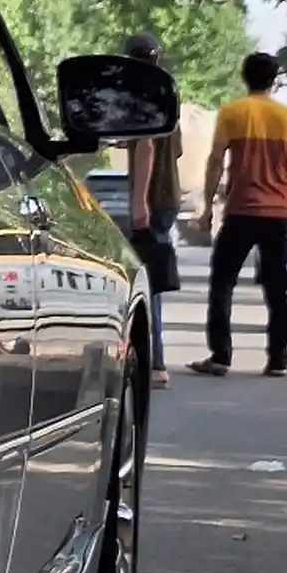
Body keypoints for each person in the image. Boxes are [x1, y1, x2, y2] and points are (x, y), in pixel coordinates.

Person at [189, 51, 287, 377]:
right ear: (273, 80)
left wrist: (207, 207)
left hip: (242, 210)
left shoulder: (233, 113)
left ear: (244, 77)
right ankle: (278, 359)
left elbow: (216, 161)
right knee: (277, 288)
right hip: (279, 214)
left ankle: (220, 355)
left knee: (223, 282)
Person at [124, 32, 182, 387]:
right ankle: (154, 360)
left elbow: (146, 146)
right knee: (155, 280)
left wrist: (138, 200)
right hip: (169, 196)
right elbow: (174, 151)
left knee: (148, 283)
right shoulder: (168, 92)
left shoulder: (140, 94)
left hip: (152, 198)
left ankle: (155, 363)